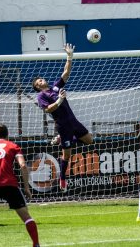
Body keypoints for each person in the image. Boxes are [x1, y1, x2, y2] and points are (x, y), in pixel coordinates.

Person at [32, 43, 93, 192]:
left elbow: (66, 73)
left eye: (41, 79)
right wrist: (59, 100)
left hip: (73, 121)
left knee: (89, 141)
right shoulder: (41, 96)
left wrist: (69, 56)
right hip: (63, 125)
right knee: (67, 155)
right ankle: (62, 178)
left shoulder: (55, 87)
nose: (42, 80)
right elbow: (48, 109)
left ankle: (65, 139)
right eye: (39, 81)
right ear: (37, 86)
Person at [0, 124, 40, 247]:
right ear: (7, 135)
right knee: (26, 217)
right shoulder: (13, 146)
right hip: (10, 185)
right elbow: (23, 166)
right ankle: (36, 244)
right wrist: (26, 188)